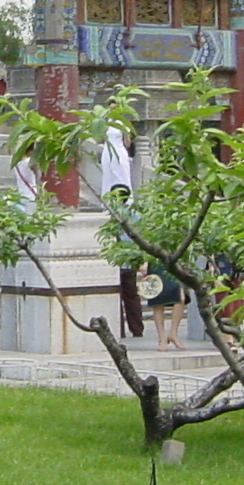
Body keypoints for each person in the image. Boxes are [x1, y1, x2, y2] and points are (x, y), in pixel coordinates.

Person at [101, 127, 145, 339]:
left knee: (117, 293)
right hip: (131, 258)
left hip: (116, 259)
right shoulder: (135, 214)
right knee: (131, 294)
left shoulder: (111, 215)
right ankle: (137, 329)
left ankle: (119, 328)